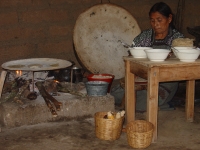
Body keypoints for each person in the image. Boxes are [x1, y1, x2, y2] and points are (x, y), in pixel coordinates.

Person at [132, 2, 184, 111]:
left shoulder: (177, 38)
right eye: (152, 20)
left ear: (169, 19)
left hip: (166, 81)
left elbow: (181, 63)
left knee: (139, 103)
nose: (155, 24)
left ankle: (162, 105)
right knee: (116, 94)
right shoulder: (145, 36)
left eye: (159, 20)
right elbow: (131, 51)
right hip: (145, 78)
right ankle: (158, 105)